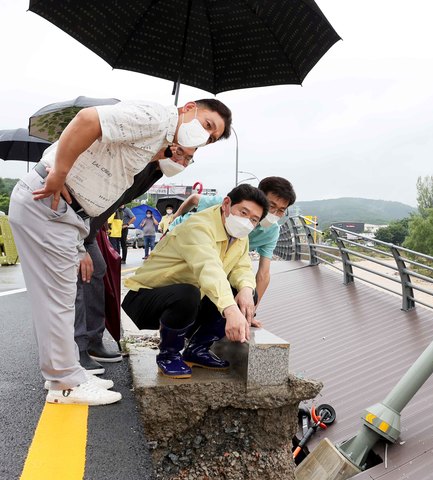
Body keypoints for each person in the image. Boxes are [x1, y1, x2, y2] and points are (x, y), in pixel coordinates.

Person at [9, 98, 232, 405]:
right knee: (58, 300)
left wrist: (167, 151)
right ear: (189, 108)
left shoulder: (160, 136)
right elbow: (88, 119)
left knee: (58, 299)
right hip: (53, 202)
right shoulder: (157, 116)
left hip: (66, 213)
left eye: (210, 138)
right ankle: (64, 382)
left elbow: (119, 158)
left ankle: (67, 373)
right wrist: (59, 173)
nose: (204, 137)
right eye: (207, 125)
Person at [122, 184, 268, 378]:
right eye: (243, 212)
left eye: (253, 220)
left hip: (189, 301)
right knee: (189, 293)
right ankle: (169, 354)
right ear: (226, 204)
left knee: (244, 291)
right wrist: (231, 310)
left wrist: (247, 290)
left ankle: (198, 349)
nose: (246, 222)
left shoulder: (240, 236)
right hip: (147, 298)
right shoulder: (198, 226)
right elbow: (209, 269)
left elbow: (241, 267)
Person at [75, 145, 195, 374]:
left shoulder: (154, 171)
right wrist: (78, 246)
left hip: (89, 230)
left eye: (190, 159)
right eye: (182, 154)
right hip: (75, 227)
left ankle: (92, 341)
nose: (183, 162)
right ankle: (76, 349)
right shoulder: (136, 161)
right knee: (81, 276)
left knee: (97, 270)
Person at [169, 177, 296, 307]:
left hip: (220, 257)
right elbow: (194, 199)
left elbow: (263, 273)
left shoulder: (271, 232)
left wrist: (251, 310)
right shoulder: (230, 205)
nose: (274, 213)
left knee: (243, 291)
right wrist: (175, 217)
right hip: (185, 243)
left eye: (281, 210)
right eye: (271, 206)